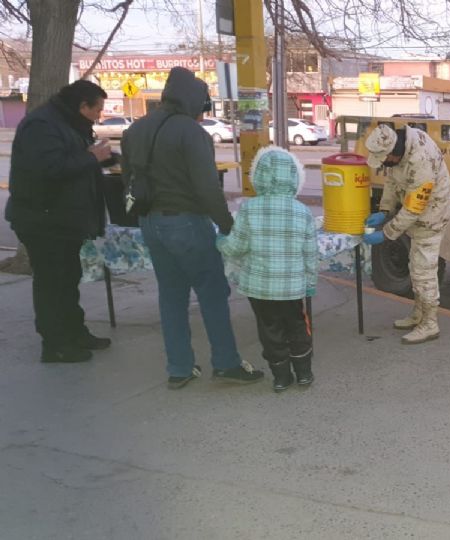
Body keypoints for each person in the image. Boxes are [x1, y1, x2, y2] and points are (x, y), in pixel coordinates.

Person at [121, 67, 263, 389]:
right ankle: (226, 363)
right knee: (212, 293)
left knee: (171, 296)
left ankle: (179, 368)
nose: (202, 115)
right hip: (186, 222)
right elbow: (206, 188)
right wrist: (228, 226)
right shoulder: (191, 133)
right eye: (202, 108)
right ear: (194, 102)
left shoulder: (136, 130)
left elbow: (128, 179)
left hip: (150, 222)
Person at [5, 80, 115, 363]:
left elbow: (75, 159)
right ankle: (55, 344)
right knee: (52, 282)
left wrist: (107, 158)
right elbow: (51, 169)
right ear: (82, 106)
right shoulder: (41, 126)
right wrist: (91, 157)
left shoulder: (69, 124)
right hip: (43, 219)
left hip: (63, 219)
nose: (99, 116)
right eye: (97, 110)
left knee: (68, 277)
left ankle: (74, 332)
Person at [216, 147, 318, 392]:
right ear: (294, 177)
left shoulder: (249, 209)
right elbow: (310, 254)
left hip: (259, 288)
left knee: (270, 330)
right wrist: (310, 283)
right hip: (292, 289)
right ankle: (304, 373)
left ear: (258, 175)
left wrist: (220, 242)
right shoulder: (303, 212)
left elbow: (237, 247)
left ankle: (281, 377)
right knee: (297, 327)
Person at [362, 123, 450, 344]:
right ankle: (418, 313)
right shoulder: (400, 148)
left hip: (432, 218)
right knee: (415, 266)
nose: (384, 164)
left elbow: (415, 207)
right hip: (421, 217)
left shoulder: (420, 160)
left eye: (385, 160)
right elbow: (392, 180)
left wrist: (386, 233)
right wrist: (384, 210)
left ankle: (430, 324)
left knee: (424, 271)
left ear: (393, 153)